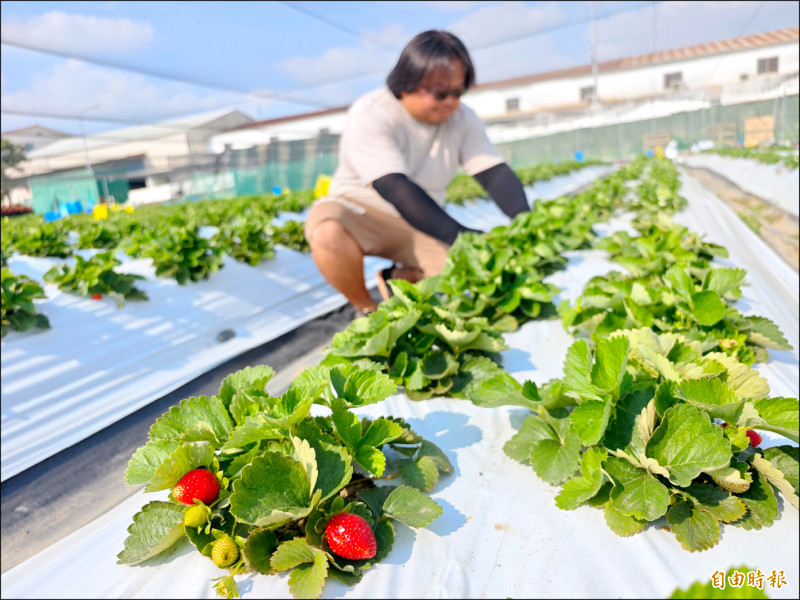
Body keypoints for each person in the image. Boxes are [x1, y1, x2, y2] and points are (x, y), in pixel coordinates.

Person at [304, 30, 530, 315]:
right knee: (327, 233)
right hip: (360, 210)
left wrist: (527, 222)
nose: (451, 101)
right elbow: (394, 187)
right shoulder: (372, 113)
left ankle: (398, 279)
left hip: (420, 218)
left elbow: (493, 173)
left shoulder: (462, 119)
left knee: (468, 276)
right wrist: (463, 236)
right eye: (440, 93)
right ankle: (367, 309)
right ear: (406, 84)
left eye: (458, 92)